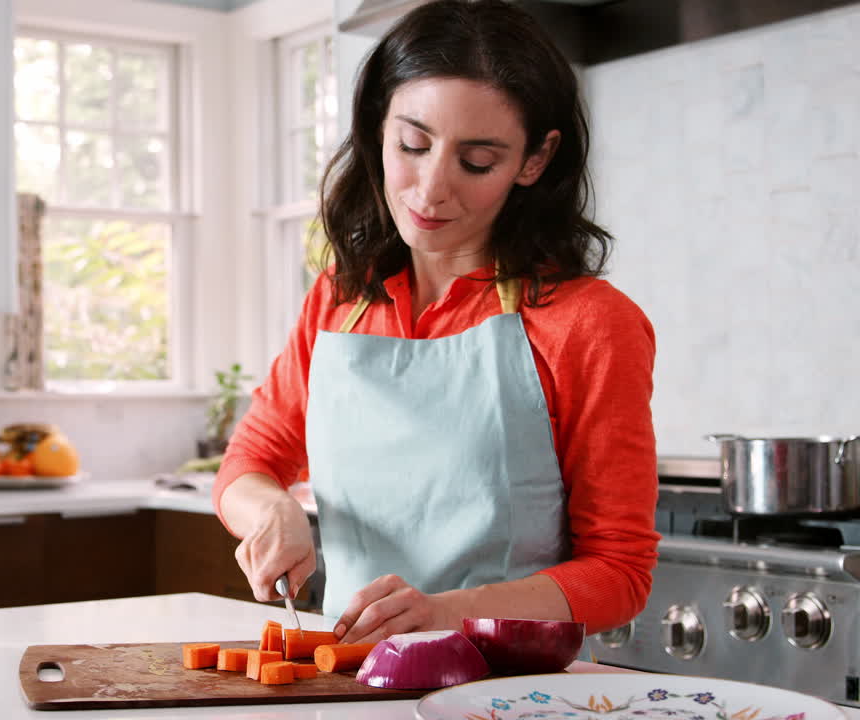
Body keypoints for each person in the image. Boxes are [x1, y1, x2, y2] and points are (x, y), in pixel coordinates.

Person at [213, 0, 659, 645]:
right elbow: (249, 463)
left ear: (534, 161)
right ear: (378, 128)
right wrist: (271, 510)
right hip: (349, 681)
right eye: (412, 145)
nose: (430, 189)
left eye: (477, 162)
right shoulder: (341, 299)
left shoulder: (590, 324)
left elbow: (620, 573)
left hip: (504, 690)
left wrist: (451, 612)